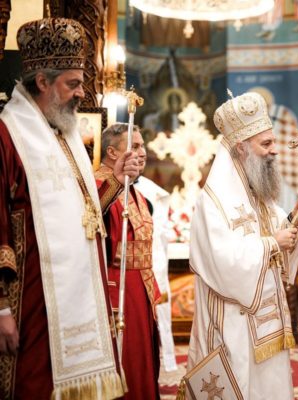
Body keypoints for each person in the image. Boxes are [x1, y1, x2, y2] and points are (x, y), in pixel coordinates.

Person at [0, 17, 138, 398]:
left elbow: (84, 214)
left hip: (74, 299)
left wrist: (113, 181)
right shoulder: (9, 136)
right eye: (73, 84)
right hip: (31, 304)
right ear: (43, 82)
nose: (81, 93)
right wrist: (1, 309)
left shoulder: (65, 133)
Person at [185, 91, 298, 399]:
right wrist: (272, 244)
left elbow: (277, 232)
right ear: (241, 147)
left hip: (268, 319)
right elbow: (222, 262)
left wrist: (293, 221)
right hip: (234, 322)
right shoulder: (213, 201)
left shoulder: (257, 194)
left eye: (273, 142)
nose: (275, 151)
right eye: (266, 144)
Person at [95, 123, 161, 399]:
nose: (142, 152)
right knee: (127, 361)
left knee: (143, 362)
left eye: (143, 146)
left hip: (140, 289)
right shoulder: (99, 185)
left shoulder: (138, 192)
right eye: (134, 146)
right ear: (112, 152)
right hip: (117, 290)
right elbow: (91, 220)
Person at [134, 170, 178, 373]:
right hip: (132, 263)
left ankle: (163, 359)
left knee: (159, 315)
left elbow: (160, 231)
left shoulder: (152, 190)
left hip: (154, 258)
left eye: (143, 154)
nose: (140, 157)